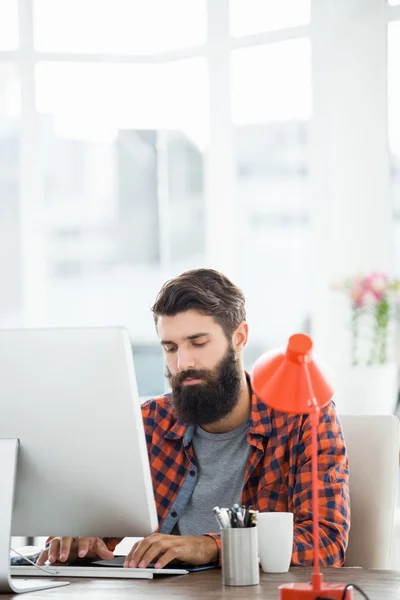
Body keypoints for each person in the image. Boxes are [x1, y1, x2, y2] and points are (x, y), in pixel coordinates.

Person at [38, 269, 350, 569]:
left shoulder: (303, 418)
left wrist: (210, 546)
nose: (183, 362)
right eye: (170, 348)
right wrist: (76, 541)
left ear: (239, 337)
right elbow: (94, 521)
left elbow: (326, 541)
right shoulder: (149, 422)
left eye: (198, 343)